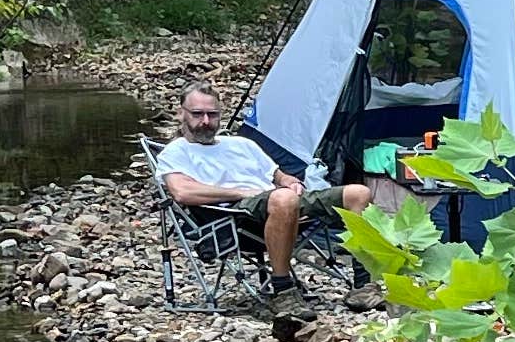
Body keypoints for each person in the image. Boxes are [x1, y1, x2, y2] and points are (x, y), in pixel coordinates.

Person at [151, 86, 365, 311]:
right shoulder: (176, 152)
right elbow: (182, 192)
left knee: (358, 194)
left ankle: (363, 286)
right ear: (181, 113)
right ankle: (282, 289)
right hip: (235, 217)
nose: (205, 121)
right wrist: (241, 193)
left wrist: (291, 182)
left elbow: (280, 176)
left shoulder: (243, 144)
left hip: (279, 203)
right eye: (197, 114)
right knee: (283, 199)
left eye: (212, 114)